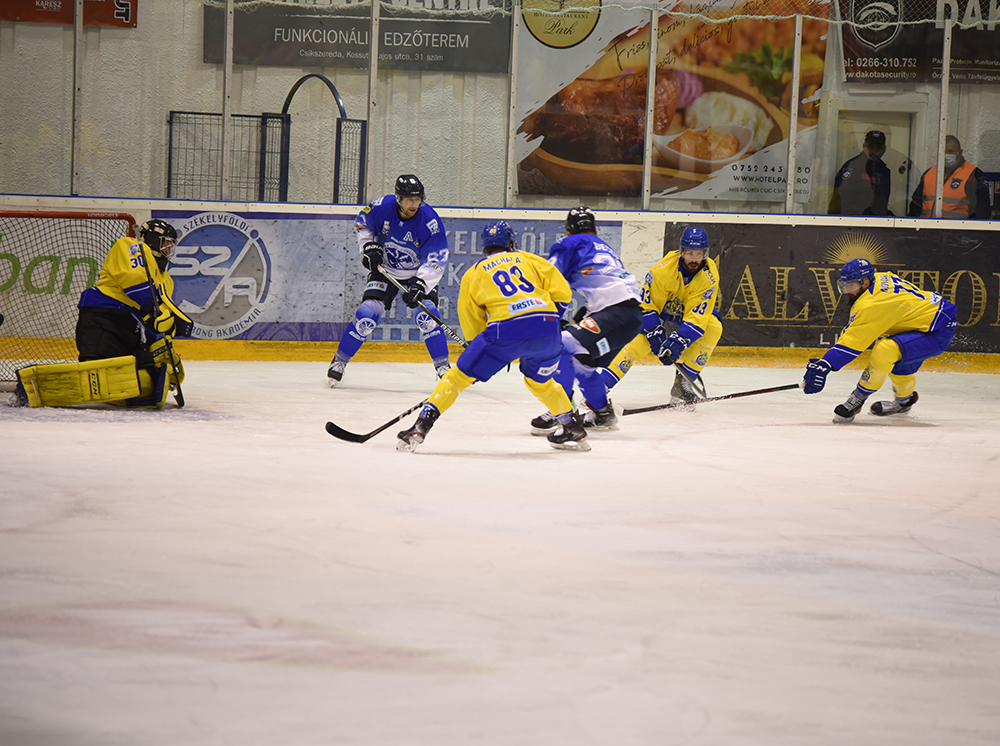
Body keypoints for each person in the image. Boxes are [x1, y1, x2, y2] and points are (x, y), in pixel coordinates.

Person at [397, 220, 588, 452]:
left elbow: (471, 319)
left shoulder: (474, 272)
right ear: (511, 243)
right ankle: (571, 426)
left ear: (484, 248)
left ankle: (420, 426)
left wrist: (483, 350)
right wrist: (545, 319)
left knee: (456, 378)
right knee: (540, 382)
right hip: (548, 329)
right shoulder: (529, 259)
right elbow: (563, 291)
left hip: (505, 331)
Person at [16, 218, 192, 408]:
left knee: (149, 381)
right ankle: (36, 386)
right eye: (165, 244)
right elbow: (134, 279)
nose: (168, 250)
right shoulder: (130, 245)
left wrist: (162, 346)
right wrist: (153, 308)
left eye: (170, 246)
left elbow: (156, 321)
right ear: (152, 240)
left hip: (132, 330)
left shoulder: (166, 280)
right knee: (98, 378)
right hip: (105, 319)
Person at [328, 174, 451, 387]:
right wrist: (368, 246)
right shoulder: (381, 207)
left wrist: (421, 283)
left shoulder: (429, 221)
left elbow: (437, 256)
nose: (414, 204)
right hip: (386, 270)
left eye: (418, 199)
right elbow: (362, 222)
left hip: (417, 273)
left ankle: (443, 368)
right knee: (367, 315)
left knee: (428, 316)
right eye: (409, 200)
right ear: (398, 199)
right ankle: (339, 362)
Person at [529, 206, 644, 434]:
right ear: (593, 227)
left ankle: (561, 413)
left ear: (569, 229)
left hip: (614, 313)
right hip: (631, 319)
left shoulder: (569, 243)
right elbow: (603, 285)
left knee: (562, 346)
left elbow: (549, 280)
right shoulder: (604, 247)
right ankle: (602, 414)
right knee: (583, 363)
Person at [801, 258, 958, 423]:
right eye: (844, 285)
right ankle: (904, 401)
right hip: (926, 322)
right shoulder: (881, 277)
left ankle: (857, 399)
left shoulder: (872, 304)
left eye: (852, 286)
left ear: (866, 282)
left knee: (885, 350)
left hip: (936, 330)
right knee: (899, 363)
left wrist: (826, 364)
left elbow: (851, 342)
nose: (847, 290)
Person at [600, 226, 723, 409]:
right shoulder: (661, 271)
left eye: (699, 254)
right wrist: (653, 333)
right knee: (637, 341)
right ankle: (600, 387)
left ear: (705, 253)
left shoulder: (709, 277)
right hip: (662, 310)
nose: (694, 259)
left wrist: (677, 342)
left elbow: (697, 319)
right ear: (681, 251)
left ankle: (683, 385)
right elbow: (647, 307)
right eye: (689, 253)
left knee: (713, 328)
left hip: (688, 313)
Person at [908, 135, 991, 219]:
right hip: (927, 228)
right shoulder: (928, 174)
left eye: (950, 151)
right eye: (943, 151)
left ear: (960, 152)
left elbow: (982, 212)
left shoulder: (973, 175)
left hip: (958, 230)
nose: (946, 155)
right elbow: (915, 207)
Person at [828, 130, 892, 216]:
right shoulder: (852, 167)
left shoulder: (884, 171)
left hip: (877, 224)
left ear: (884, 149)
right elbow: (839, 201)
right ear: (864, 146)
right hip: (853, 223)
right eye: (871, 147)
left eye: (878, 147)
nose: (874, 151)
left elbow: (881, 203)